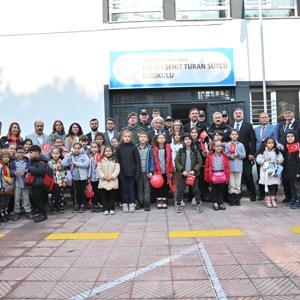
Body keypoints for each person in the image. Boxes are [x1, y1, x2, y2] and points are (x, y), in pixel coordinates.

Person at [175, 134, 203, 214]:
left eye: (189, 139)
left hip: (193, 175)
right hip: (183, 174)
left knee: (196, 190)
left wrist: (194, 170)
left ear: (192, 140)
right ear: (183, 141)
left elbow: (199, 162)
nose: (187, 141)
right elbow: (176, 161)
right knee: (180, 190)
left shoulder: (195, 150)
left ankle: (198, 204)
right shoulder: (181, 151)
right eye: (186, 139)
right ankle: (178, 205)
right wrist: (182, 170)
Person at [233, 108, 257, 201]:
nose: (238, 114)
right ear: (233, 115)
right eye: (236, 113)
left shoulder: (248, 125)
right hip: (234, 156)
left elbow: (253, 140)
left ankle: (252, 194)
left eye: (240, 113)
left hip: (246, 156)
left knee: (248, 175)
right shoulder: (230, 126)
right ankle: (238, 195)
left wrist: (252, 153)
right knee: (236, 176)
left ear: (242, 115)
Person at [115, 130, 141, 213]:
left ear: (131, 138)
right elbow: (117, 161)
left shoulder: (133, 147)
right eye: (125, 136)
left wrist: (137, 173)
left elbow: (137, 161)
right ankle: (125, 203)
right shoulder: (119, 148)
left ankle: (131, 203)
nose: (127, 138)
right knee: (124, 189)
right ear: (122, 137)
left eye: (128, 136)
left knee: (131, 188)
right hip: (122, 172)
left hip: (131, 173)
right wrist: (119, 173)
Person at [254, 112, 277, 200]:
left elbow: (275, 141)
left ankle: (272, 195)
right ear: (259, 119)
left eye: (265, 117)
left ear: (269, 118)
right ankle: (262, 194)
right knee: (261, 175)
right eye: (262, 117)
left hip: (271, 155)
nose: (263, 119)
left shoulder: (274, 128)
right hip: (259, 155)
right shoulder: (256, 129)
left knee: (272, 174)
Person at [256, 137, 284, 208]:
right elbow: (258, 159)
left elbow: (281, 158)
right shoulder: (263, 152)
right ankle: (268, 200)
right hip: (265, 172)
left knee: (273, 186)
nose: (270, 144)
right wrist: (265, 160)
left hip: (274, 172)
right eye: (269, 143)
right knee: (267, 186)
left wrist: (277, 161)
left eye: (272, 143)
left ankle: (273, 200)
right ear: (265, 144)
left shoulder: (277, 151)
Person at [62, 142, 90, 212]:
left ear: (81, 149)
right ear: (72, 149)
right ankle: (77, 205)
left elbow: (86, 164)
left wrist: (76, 163)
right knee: (76, 192)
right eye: (75, 148)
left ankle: (83, 205)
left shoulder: (84, 155)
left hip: (83, 177)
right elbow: (63, 163)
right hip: (75, 177)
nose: (76, 150)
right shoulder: (72, 156)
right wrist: (69, 155)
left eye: (78, 148)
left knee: (82, 191)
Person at [204, 140, 230, 211]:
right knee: (214, 190)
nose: (219, 148)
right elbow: (207, 167)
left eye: (220, 146)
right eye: (217, 146)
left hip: (222, 175)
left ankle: (221, 202)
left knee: (221, 190)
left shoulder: (224, 156)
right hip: (214, 175)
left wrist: (227, 176)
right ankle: (215, 202)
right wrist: (207, 176)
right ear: (213, 147)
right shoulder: (210, 156)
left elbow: (227, 167)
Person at [27, 145, 49, 222]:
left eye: (31, 152)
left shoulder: (41, 161)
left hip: (40, 184)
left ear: (37, 153)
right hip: (35, 183)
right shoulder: (34, 160)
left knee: (38, 200)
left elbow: (40, 171)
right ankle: (40, 213)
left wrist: (29, 169)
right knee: (36, 200)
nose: (29, 154)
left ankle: (43, 215)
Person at [152, 133, 174, 209]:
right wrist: (154, 170)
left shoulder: (168, 148)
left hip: (166, 170)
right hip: (158, 171)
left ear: (165, 139)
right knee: (159, 186)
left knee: (165, 186)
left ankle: (164, 200)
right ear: (157, 140)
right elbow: (153, 161)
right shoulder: (154, 148)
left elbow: (170, 160)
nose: (161, 139)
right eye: (159, 138)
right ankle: (159, 200)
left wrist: (171, 171)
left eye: (163, 138)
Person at [225, 129, 246, 206]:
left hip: (238, 167)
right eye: (232, 134)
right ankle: (231, 199)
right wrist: (230, 156)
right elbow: (225, 154)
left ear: (238, 135)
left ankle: (237, 199)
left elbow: (244, 155)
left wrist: (238, 154)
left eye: (235, 134)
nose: (234, 136)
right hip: (230, 167)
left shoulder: (241, 145)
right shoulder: (228, 145)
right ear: (230, 136)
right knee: (231, 184)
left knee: (237, 184)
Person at [97, 145, 120, 215]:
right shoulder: (101, 160)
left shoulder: (115, 160)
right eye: (106, 151)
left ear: (113, 152)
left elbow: (117, 169)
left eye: (110, 151)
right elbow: (99, 169)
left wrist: (112, 176)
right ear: (104, 152)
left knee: (112, 196)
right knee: (104, 196)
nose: (108, 152)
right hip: (104, 181)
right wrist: (103, 176)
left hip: (112, 181)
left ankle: (112, 208)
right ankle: (105, 208)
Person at [11, 146, 32, 221]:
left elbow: (30, 169)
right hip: (17, 183)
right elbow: (10, 171)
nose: (20, 154)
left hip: (25, 183)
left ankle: (28, 211)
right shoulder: (13, 162)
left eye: (22, 152)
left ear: (24, 153)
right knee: (16, 199)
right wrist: (14, 172)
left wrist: (26, 171)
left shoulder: (27, 161)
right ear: (16, 153)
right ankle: (17, 212)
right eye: (18, 152)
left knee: (26, 198)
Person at [137, 131, 154, 211]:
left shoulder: (150, 148)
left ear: (147, 139)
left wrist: (151, 171)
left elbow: (151, 160)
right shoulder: (136, 147)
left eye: (144, 137)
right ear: (139, 138)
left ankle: (147, 204)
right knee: (139, 188)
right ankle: (140, 203)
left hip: (146, 172)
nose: (142, 138)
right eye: (141, 137)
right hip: (138, 172)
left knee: (147, 189)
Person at [282, 130, 300, 209]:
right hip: (289, 170)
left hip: (296, 170)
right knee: (292, 186)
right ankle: (294, 199)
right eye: (288, 137)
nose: (290, 138)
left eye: (292, 136)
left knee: (297, 187)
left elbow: (298, 160)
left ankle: (298, 201)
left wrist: (298, 171)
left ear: (295, 137)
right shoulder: (286, 146)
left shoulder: (297, 147)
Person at [48, 147, 66, 214]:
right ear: (51, 154)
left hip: (60, 181)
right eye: (53, 153)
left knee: (60, 195)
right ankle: (53, 207)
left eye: (57, 153)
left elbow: (63, 172)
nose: (55, 155)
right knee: (53, 195)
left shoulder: (61, 162)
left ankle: (60, 206)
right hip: (53, 182)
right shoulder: (49, 163)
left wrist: (64, 180)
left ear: (59, 154)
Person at [0, 149, 14, 222]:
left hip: (7, 188)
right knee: (2, 203)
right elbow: (1, 176)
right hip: (2, 187)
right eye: (4, 157)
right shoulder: (0, 166)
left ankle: (5, 214)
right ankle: (2, 216)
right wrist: (8, 179)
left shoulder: (6, 166)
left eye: (7, 157)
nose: (6, 158)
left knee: (6, 202)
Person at [88, 142, 102, 212]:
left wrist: (98, 163)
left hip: (98, 177)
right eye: (92, 147)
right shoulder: (90, 156)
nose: (94, 149)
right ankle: (95, 204)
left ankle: (100, 203)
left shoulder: (99, 156)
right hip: (92, 177)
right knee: (94, 191)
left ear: (98, 148)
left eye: (95, 147)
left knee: (99, 191)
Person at [170, 131, 183, 205]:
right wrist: (172, 166)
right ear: (173, 136)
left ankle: (180, 199)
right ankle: (175, 198)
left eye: (178, 135)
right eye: (175, 135)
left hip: (181, 167)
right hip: (173, 167)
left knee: (181, 184)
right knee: (174, 184)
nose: (177, 136)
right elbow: (170, 157)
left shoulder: (182, 145)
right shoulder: (170, 145)